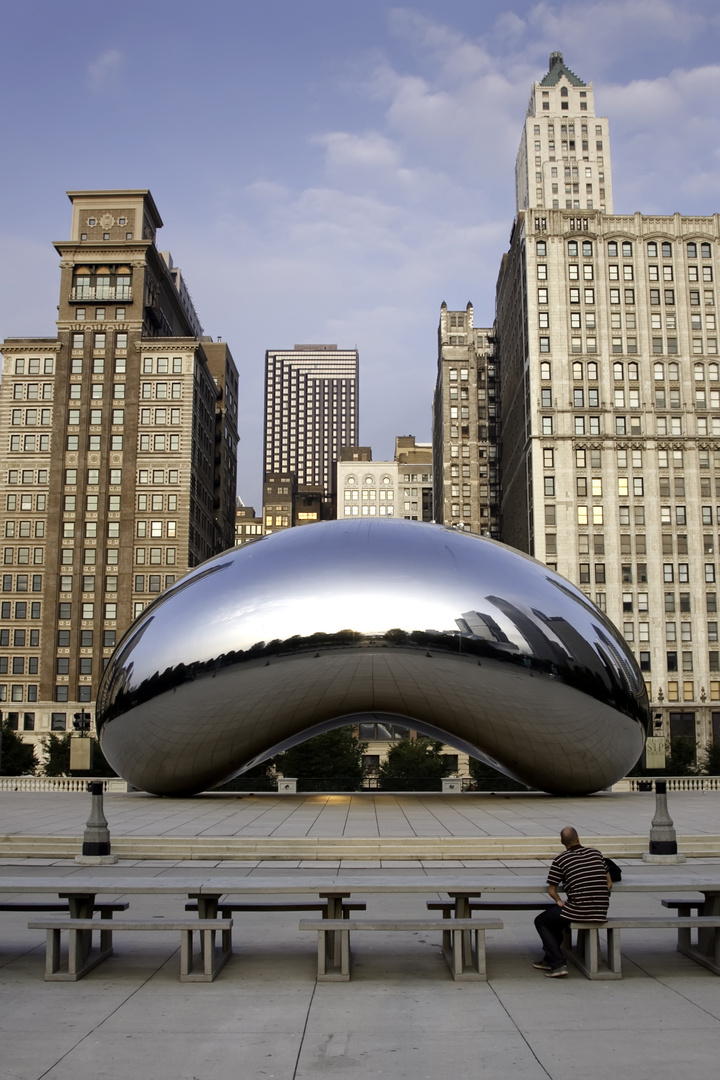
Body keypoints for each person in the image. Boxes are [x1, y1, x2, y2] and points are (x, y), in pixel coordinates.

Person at [533, 825, 612, 977]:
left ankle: (558, 964)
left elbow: (552, 891)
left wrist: (559, 901)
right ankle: (549, 958)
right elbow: (609, 884)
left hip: (578, 909)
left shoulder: (561, 859)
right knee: (555, 921)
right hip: (601, 910)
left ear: (561, 841)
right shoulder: (596, 854)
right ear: (578, 838)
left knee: (542, 921)